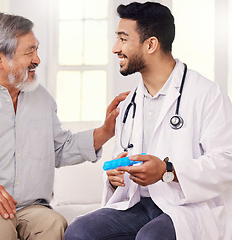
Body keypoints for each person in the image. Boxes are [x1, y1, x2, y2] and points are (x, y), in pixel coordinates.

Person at [0, 13, 127, 240]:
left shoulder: (41, 98)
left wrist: (106, 130)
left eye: (37, 49)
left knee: (52, 222)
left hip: (26, 207)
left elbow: (59, 149)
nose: (37, 59)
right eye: (29, 52)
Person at [64, 2, 232, 240]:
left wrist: (168, 170)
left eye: (123, 39)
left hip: (187, 207)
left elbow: (227, 161)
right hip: (139, 204)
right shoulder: (129, 103)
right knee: (79, 232)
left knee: (151, 237)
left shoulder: (206, 95)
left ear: (151, 44)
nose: (115, 48)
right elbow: (119, 161)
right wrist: (113, 177)